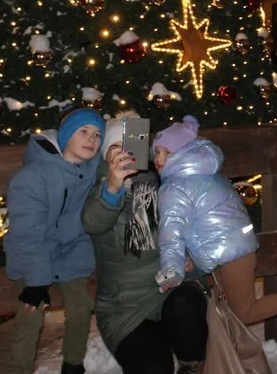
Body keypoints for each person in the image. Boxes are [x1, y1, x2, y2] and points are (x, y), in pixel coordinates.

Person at [153, 116, 277, 323]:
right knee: (218, 303)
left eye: (167, 153)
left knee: (243, 312)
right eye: (157, 152)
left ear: (184, 154)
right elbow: (203, 221)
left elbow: (171, 230)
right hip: (232, 247)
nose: (159, 159)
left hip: (229, 254)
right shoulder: (205, 172)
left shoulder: (175, 186)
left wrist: (171, 268)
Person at [83, 118, 209, 374]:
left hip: (167, 289)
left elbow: (195, 229)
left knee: (188, 302)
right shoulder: (98, 186)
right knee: (154, 369)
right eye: (115, 146)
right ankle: (154, 345)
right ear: (105, 153)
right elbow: (93, 222)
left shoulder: (163, 182)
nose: (124, 153)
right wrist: (113, 186)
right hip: (123, 307)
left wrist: (191, 258)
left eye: (129, 146)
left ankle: (191, 366)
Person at [5, 108, 103, 374]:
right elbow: (27, 234)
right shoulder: (32, 177)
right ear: (66, 136)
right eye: (83, 132)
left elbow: (128, 147)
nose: (91, 140)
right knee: (31, 310)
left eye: (97, 135)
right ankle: (19, 369)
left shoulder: (91, 167)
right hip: (33, 251)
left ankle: (73, 364)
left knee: (81, 305)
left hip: (71, 249)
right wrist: (37, 283)